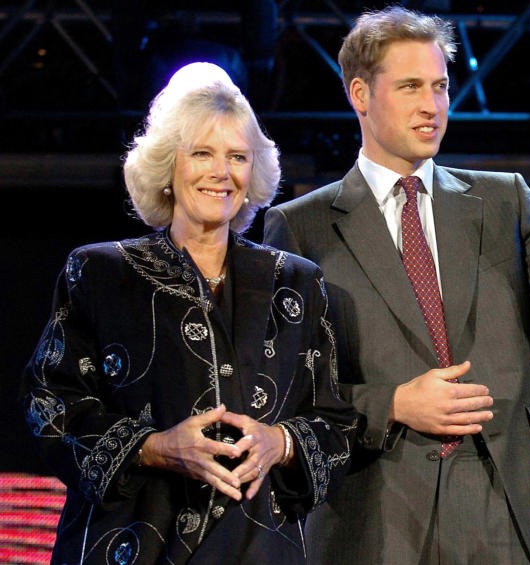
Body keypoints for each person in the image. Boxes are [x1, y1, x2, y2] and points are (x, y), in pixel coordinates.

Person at [263, 6, 530, 564]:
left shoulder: (503, 200)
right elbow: (289, 389)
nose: (431, 106)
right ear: (360, 93)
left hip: (503, 501)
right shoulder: (301, 224)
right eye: (410, 87)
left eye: (440, 87)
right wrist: (395, 403)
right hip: (377, 507)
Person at [20, 62, 356, 564]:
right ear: (167, 168)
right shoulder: (99, 272)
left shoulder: (298, 281)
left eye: (237, 156)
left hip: (259, 546)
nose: (221, 172)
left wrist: (279, 441)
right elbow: (49, 406)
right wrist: (154, 447)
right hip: (131, 542)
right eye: (202, 153)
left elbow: (336, 421)